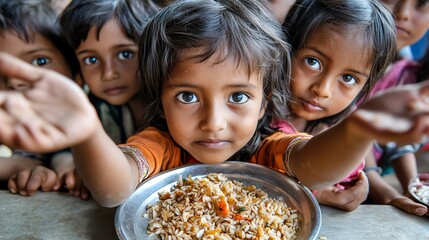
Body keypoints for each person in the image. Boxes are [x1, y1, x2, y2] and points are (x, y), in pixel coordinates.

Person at [0, 0, 429, 209]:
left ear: (265, 103)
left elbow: (313, 165)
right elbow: (115, 189)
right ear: (159, 95)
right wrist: (87, 131)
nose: (213, 122)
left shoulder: (267, 147)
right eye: (187, 96)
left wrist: (360, 128)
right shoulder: (161, 144)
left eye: (238, 97)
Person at [272, 0, 396, 211]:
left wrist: (355, 187)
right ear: (287, 48)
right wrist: (315, 194)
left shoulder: (336, 127)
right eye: (313, 62)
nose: (323, 90)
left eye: (348, 78)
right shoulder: (256, 118)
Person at [0, 0, 81, 194]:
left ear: (77, 72)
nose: (15, 81)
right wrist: (19, 165)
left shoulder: (104, 112)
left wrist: (65, 164)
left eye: (40, 61)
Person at [362, 0, 429, 216]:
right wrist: (380, 187)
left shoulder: (407, 75)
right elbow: (355, 124)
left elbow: (400, 142)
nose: (403, 14)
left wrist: (414, 187)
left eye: (422, 3)